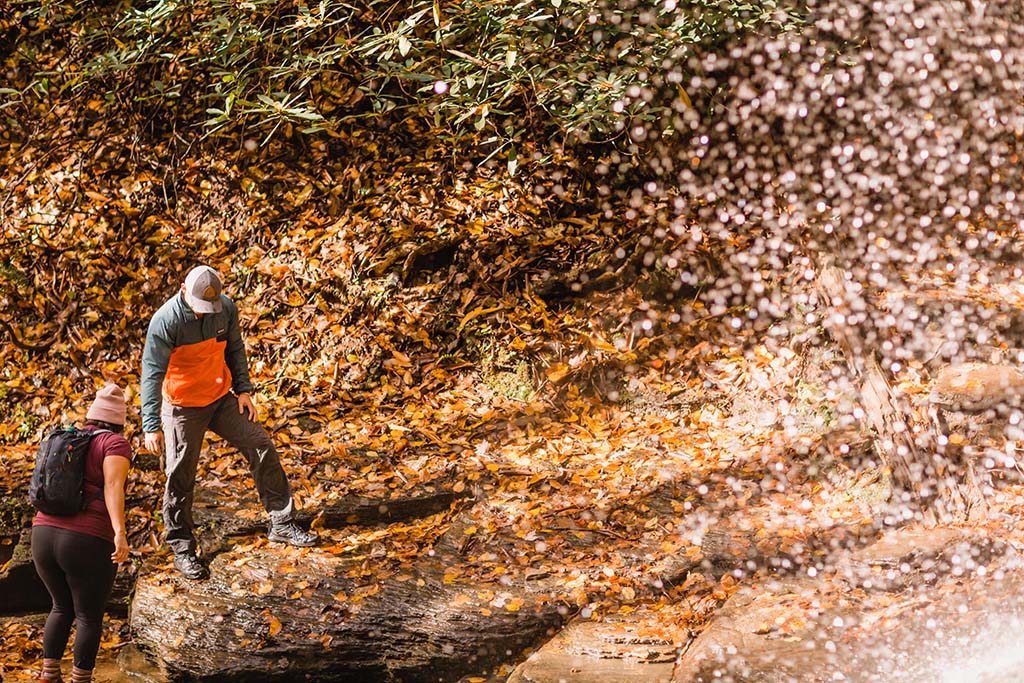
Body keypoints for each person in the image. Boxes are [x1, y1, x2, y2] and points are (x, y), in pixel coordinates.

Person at [141, 264, 317, 581]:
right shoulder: (165, 322)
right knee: (179, 474)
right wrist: (151, 424)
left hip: (221, 397)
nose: (204, 313)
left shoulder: (226, 309)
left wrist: (244, 391)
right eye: (199, 308)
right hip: (182, 407)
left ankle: (282, 521)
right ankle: (182, 547)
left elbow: (235, 348)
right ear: (183, 291)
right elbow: (151, 374)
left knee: (260, 444)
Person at [32, 384, 132, 683]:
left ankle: (49, 675)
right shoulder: (114, 444)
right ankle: (81, 680)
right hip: (85, 539)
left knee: (60, 607)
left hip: (43, 534)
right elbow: (114, 487)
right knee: (88, 616)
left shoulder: (66, 439)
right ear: (119, 420)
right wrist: (120, 533)